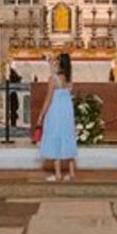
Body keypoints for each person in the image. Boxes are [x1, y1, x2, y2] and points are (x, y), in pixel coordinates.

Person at [38, 52, 77, 181]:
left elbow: (48, 100)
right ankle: (71, 173)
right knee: (67, 136)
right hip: (67, 111)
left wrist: (41, 116)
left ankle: (58, 174)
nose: (54, 61)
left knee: (56, 136)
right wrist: (50, 64)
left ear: (60, 63)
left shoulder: (53, 79)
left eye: (57, 60)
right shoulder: (69, 79)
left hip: (56, 110)